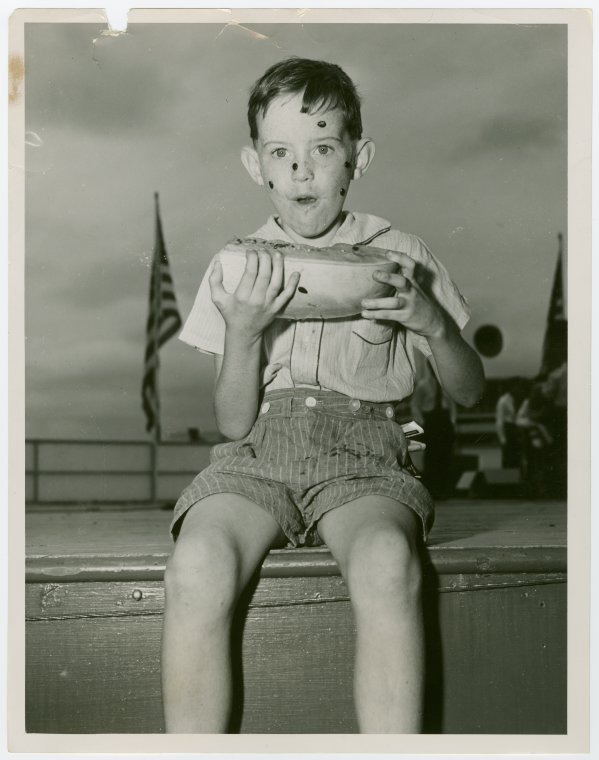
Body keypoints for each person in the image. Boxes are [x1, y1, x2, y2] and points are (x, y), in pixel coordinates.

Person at [162, 57, 485, 734]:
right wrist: (245, 332)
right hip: (255, 453)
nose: (300, 171)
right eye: (280, 153)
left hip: (367, 454)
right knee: (196, 562)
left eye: (322, 149)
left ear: (355, 160)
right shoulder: (235, 265)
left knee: (386, 561)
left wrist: (429, 321)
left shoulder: (402, 253)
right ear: (255, 166)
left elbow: (468, 387)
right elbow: (229, 422)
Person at [411, 359, 458, 499]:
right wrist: (422, 421)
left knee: (445, 455)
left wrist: (453, 422)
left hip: (444, 421)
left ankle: (444, 489)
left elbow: (452, 405)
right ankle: (432, 489)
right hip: (431, 421)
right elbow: (415, 405)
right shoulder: (423, 385)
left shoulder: (445, 384)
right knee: (432, 456)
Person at [495, 377, 525, 468]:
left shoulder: (520, 398)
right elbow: (499, 421)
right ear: (511, 387)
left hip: (517, 430)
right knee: (508, 459)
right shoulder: (503, 401)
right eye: (516, 386)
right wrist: (502, 439)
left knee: (518, 459)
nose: (518, 388)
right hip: (508, 430)